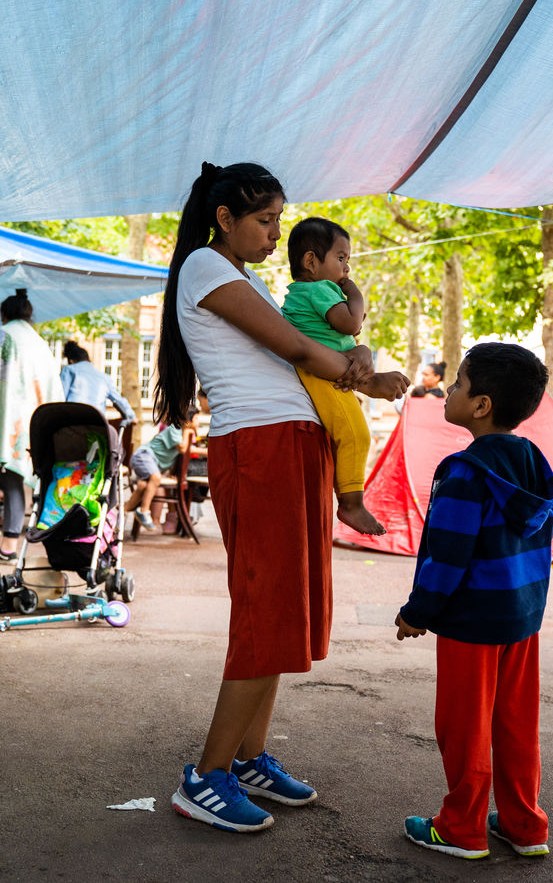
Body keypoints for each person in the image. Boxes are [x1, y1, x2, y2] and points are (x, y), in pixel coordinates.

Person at [156, 161, 407, 834]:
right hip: (260, 447)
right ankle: (206, 776)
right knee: (266, 611)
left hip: (291, 443)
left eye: (277, 220)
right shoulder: (206, 267)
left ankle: (248, 759)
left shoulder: (244, 278)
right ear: (225, 219)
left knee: (286, 612)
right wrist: (368, 377)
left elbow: (308, 346)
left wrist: (356, 361)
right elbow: (295, 346)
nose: (276, 234)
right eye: (265, 220)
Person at [395, 343, 553, 861]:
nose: (448, 389)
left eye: (459, 383)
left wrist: (417, 612)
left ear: (482, 405)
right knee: (516, 725)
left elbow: (448, 555)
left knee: (464, 728)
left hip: (471, 622)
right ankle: (524, 825)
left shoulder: (464, 472)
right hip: (522, 618)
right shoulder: (534, 463)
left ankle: (460, 829)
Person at [281, 216, 383, 535]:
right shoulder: (321, 289)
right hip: (322, 375)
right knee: (356, 434)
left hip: (323, 370)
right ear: (311, 261)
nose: (346, 268)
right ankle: (351, 504)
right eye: (341, 258)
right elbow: (352, 324)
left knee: (345, 434)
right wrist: (354, 292)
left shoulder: (301, 292)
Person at [0, 289, 63, 563]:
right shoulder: (41, 345)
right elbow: (52, 386)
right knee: (14, 477)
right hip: (27, 423)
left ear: (3, 315)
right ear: (29, 315)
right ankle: (9, 546)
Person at [123, 408, 194, 530]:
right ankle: (144, 511)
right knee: (156, 477)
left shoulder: (180, 434)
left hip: (149, 462)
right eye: (196, 418)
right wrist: (188, 433)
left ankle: (120, 513)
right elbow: (182, 448)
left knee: (143, 486)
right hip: (144, 456)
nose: (197, 422)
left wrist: (171, 472)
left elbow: (172, 456)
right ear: (187, 421)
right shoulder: (175, 429)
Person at [60, 340, 135, 426]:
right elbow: (119, 400)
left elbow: (61, 396)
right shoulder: (105, 377)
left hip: (73, 421)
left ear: (71, 361)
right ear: (88, 360)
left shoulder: (69, 369)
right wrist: (131, 416)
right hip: (97, 423)